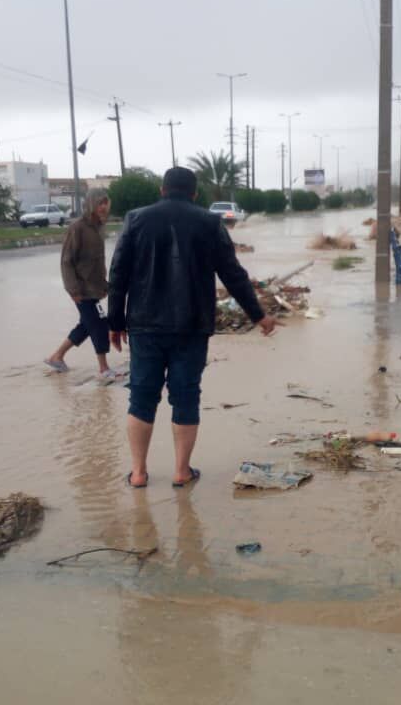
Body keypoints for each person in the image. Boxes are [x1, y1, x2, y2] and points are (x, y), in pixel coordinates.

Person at [107, 167, 281, 488]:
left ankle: (139, 473)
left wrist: (115, 322)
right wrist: (258, 315)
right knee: (185, 397)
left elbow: (118, 274)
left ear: (162, 190)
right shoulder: (210, 223)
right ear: (195, 193)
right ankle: (181, 471)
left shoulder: (135, 219)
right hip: (192, 325)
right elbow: (233, 273)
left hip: (144, 325)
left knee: (141, 398)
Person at [45, 188, 123, 380]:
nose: (104, 206)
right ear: (91, 205)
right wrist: (73, 290)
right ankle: (104, 370)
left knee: (87, 325)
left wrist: (103, 285)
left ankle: (57, 356)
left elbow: (97, 260)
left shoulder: (98, 227)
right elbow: (66, 261)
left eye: (106, 202)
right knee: (98, 325)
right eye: (100, 203)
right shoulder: (78, 228)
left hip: (94, 287)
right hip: (81, 289)